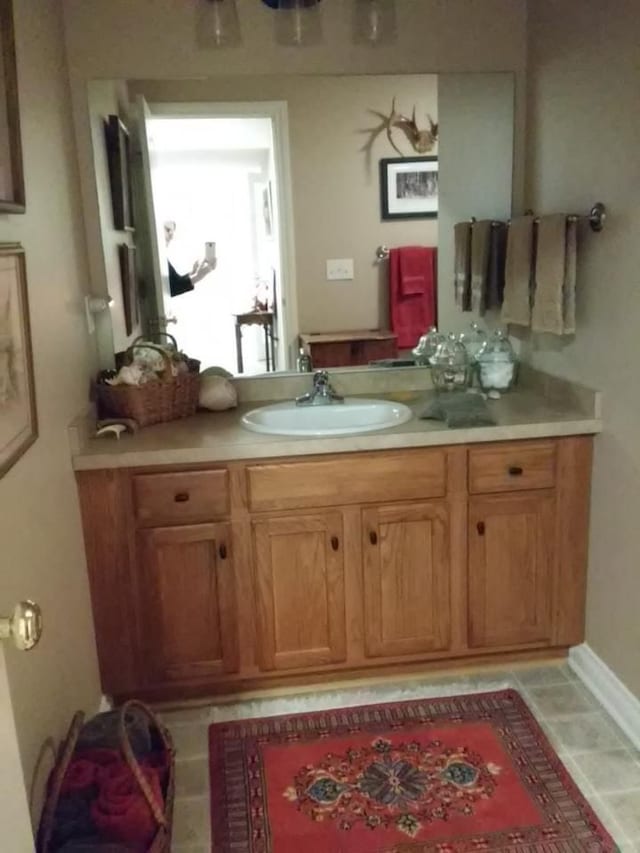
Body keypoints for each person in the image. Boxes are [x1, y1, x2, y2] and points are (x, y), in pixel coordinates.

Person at [164, 220, 214, 297]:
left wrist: (193, 273)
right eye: (167, 230)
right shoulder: (157, 258)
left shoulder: (162, 259)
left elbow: (173, 283)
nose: (171, 235)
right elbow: (174, 287)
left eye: (172, 232)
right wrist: (198, 275)